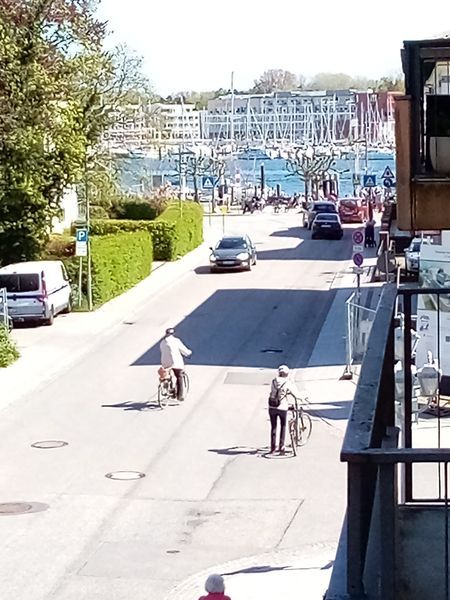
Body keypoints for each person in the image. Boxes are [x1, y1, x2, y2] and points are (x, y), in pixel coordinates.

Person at [268, 365, 300, 455]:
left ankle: (273, 448)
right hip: (282, 407)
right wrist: (302, 398)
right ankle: (281, 446)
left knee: (273, 427)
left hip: (272, 406)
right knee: (283, 426)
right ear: (286, 374)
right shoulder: (287, 383)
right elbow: (296, 394)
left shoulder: (274, 381)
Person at [159, 328, 192, 400]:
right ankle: (179, 396)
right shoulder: (176, 341)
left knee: (169, 375)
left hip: (165, 363)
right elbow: (184, 350)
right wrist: (189, 353)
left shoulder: (162, 342)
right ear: (173, 334)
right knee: (179, 376)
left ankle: (168, 387)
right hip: (176, 362)